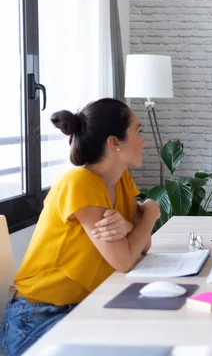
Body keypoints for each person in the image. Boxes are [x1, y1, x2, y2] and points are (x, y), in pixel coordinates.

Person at [1, 98, 160, 356]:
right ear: (114, 142)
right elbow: (124, 260)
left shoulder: (122, 180)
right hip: (37, 317)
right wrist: (150, 215)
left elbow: (142, 248)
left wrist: (131, 230)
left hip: (82, 307)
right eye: (138, 131)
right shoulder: (80, 182)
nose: (143, 140)